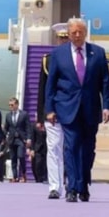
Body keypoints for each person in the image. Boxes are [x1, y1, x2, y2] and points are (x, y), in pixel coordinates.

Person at [45, 17, 109, 202]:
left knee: (88, 149)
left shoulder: (98, 52)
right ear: (69, 33)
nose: (77, 35)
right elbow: (51, 83)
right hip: (67, 108)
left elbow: (105, 82)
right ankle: (72, 188)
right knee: (71, 146)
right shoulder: (58, 54)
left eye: (80, 32)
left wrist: (107, 107)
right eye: (73, 32)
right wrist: (49, 109)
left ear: (85, 33)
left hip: (91, 108)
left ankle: (83, 185)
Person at [37, 23, 70, 199]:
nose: (63, 41)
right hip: (53, 113)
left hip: (72, 111)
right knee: (53, 149)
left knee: (71, 149)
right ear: (57, 39)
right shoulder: (47, 60)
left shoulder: (78, 59)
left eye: (66, 38)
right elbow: (42, 90)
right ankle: (55, 186)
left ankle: (72, 184)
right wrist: (41, 115)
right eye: (61, 38)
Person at [3, 97, 31, 182]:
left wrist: (28, 138)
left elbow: (28, 127)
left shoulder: (24, 114)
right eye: (9, 105)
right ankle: (15, 177)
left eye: (12, 105)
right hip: (12, 139)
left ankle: (24, 173)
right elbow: (6, 127)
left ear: (17, 104)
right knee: (13, 158)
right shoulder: (8, 115)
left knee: (20, 155)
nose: (10, 106)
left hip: (21, 139)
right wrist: (4, 136)